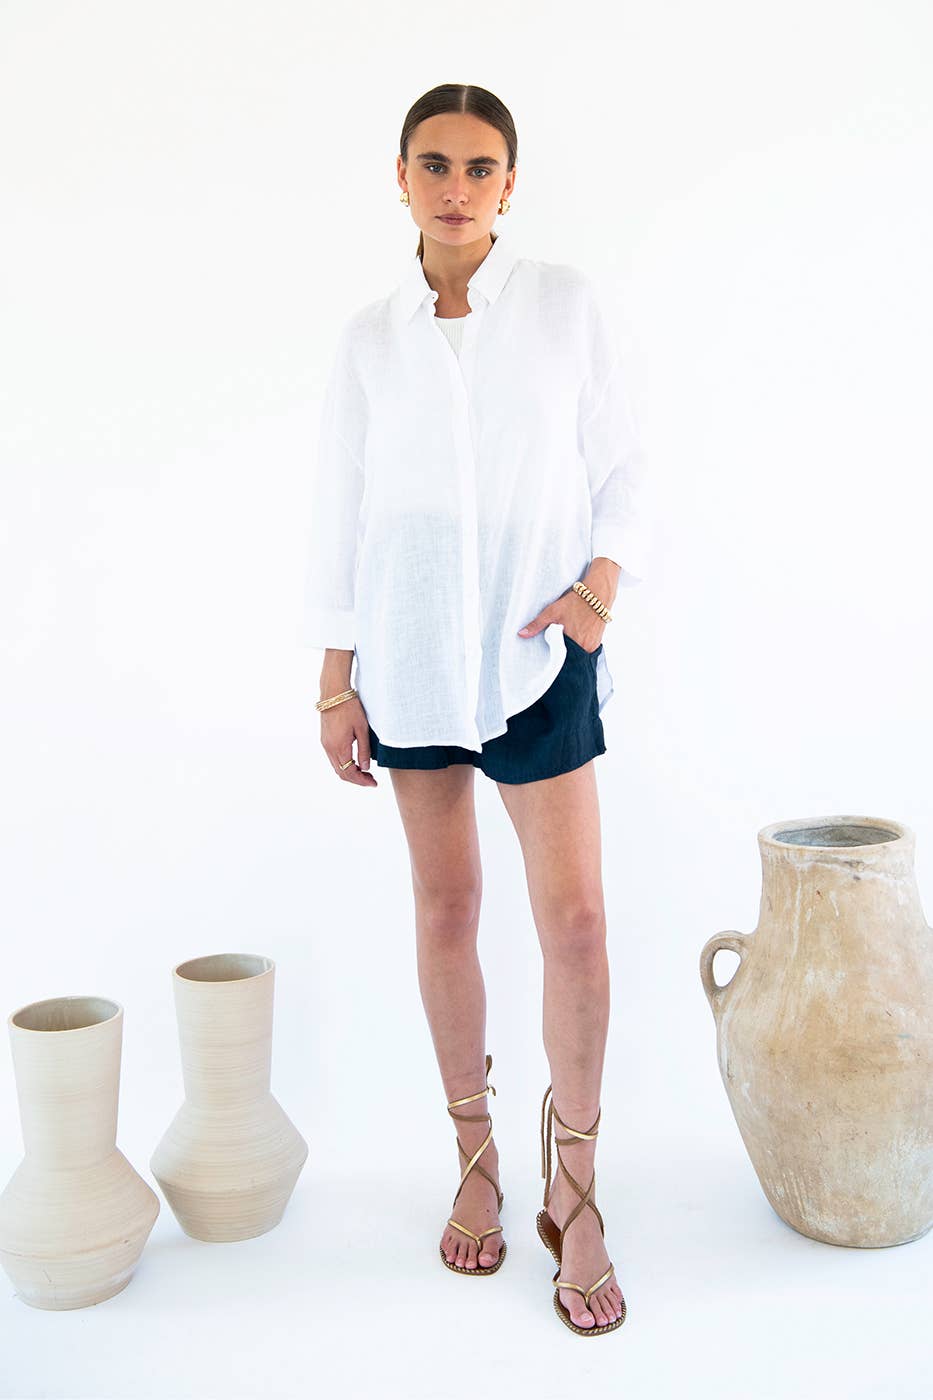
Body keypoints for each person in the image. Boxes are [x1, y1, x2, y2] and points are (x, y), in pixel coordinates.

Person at [302, 83, 651, 1337]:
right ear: (400, 177)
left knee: (579, 923)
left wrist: (597, 592)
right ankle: (475, 1156)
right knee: (446, 908)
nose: (457, 187)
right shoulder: (370, 338)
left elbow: (623, 463)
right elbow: (342, 506)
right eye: (435, 163)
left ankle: (576, 1183)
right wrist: (336, 674)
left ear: (512, 183)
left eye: (481, 166)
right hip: (409, 656)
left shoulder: (563, 305)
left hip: (535, 651)